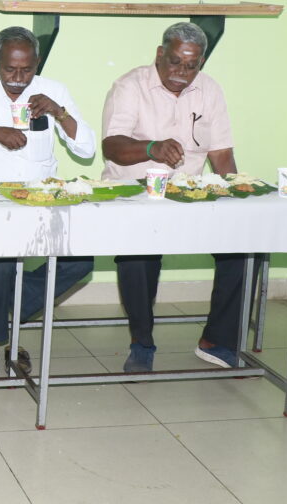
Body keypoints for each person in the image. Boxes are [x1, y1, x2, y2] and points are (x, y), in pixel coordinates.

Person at [0, 26, 96, 379]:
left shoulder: (53, 91)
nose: (18, 78)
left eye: (26, 70)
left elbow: (87, 149)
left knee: (81, 262)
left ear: (36, 64)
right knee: (0, 265)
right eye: (10, 69)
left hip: (41, 202)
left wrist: (59, 112)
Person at [102, 22, 241, 372]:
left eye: (191, 66)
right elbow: (112, 146)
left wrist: (236, 199)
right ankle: (142, 342)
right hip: (135, 194)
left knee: (242, 245)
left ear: (201, 63)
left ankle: (217, 339)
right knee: (137, 254)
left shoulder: (210, 90)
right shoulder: (129, 86)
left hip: (187, 195)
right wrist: (151, 147)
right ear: (160, 54)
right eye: (175, 62)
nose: (182, 73)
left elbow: (221, 155)